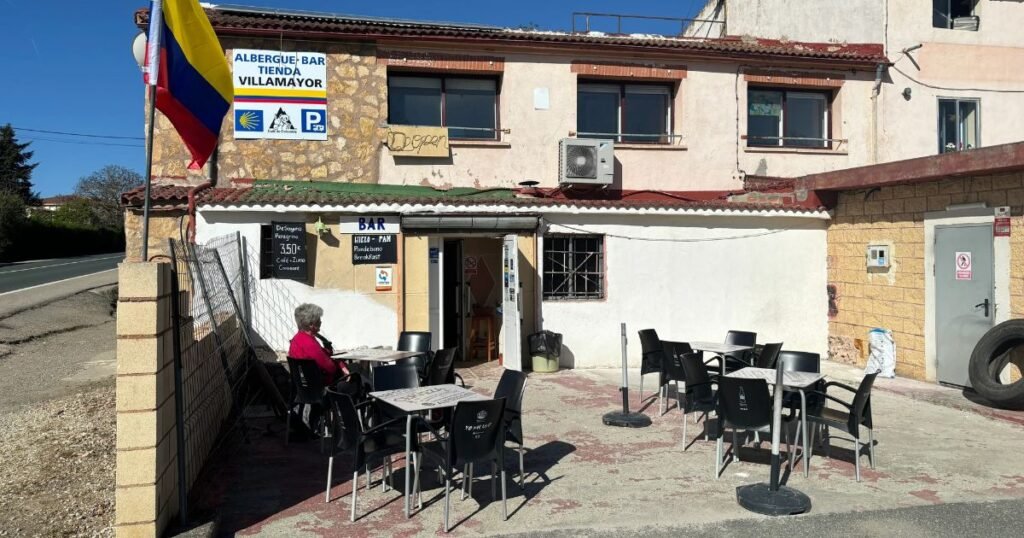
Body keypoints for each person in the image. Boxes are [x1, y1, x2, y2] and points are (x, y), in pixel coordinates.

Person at [289, 303, 362, 399]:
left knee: (352, 369)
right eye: (318, 320)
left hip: (304, 387)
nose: (321, 321)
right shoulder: (310, 344)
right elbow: (331, 368)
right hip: (320, 388)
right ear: (311, 324)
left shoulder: (297, 339)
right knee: (356, 371)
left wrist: (340, 364)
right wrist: (341, 365)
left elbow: (325, 354)